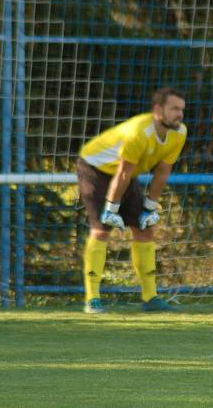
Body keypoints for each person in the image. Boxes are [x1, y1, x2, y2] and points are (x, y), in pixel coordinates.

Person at [77, 87, 187, 313]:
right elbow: (123, 174)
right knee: (101, 229)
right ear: (158, 110)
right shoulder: (138, 132)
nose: (180, 114)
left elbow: (162, 172)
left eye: (182, 109)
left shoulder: (179, 132)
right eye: (174, 108)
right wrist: (111, 209)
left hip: (124, 174)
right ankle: (92, 299)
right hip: (95, 168)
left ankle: (150, 298)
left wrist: (149, 206)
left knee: (145, 228)